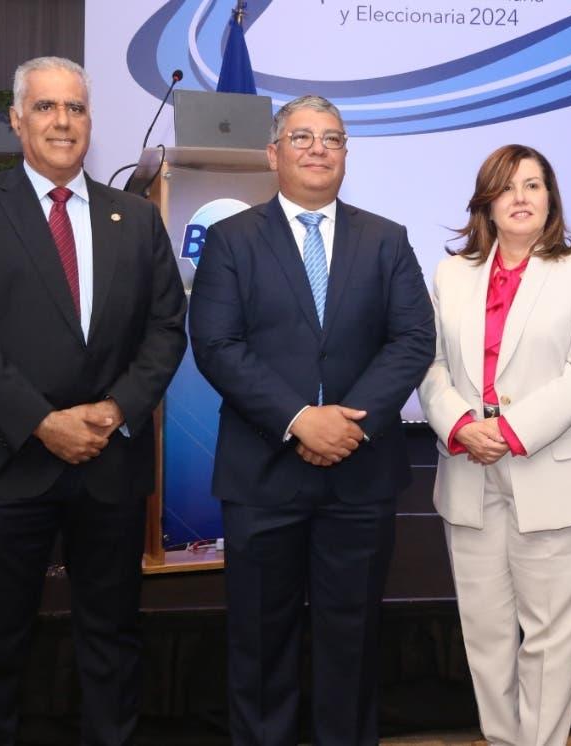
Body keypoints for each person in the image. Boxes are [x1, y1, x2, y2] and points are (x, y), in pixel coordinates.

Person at [0, 56, 187, 745]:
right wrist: (41, 421)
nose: (62, 122)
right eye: (45, 108)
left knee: (112, 642)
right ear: (17, 120)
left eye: (74, 108)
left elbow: (165, 328)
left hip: (109, 460)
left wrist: (116, 409)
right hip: (7, 461)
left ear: (90, 122)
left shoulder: (134, 217)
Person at [188, 94, 435, 746]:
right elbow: (216, 344)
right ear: (274, 154)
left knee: (350, 638)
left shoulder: (387, 239)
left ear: (346, 154)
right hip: (262, 474)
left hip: (360, 472)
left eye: (331, 138)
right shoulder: (231, 240)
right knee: (260, 641)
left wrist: (349, 423)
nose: (318, 148)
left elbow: (411, 339)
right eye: (302, 136)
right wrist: (300, 419)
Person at [417, 144, 571, 746]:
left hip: (554, 473)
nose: (521, 197)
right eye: (508, 187)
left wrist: (505, 431)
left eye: (533, 185)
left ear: (550, 197)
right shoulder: (452, 274)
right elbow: (428, 365)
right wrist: (459, 425)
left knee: (552, 640)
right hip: (467, 471)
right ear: (487, 203)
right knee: (486, 637)